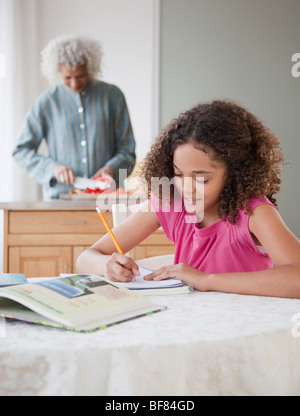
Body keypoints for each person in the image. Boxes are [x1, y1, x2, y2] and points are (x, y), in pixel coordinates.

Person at [77, 100, 300, 299]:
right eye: (179, 175)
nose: (186, 188)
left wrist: (206, 280)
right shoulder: (170, 203)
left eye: (201, 179)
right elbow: (85, 258)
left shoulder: (254, 213)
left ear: (234, 174)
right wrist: (106, 265)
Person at [12, 35, 136, 200]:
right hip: (60, 200)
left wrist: (111, 169)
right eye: (67, 78)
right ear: (57, 72)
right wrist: (52, 169)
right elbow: (21, 151)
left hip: (108, 199)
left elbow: (127, 150)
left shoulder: (113, 96)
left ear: (90, 68)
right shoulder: (46, 102)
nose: (74, 83)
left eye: (81, 76)